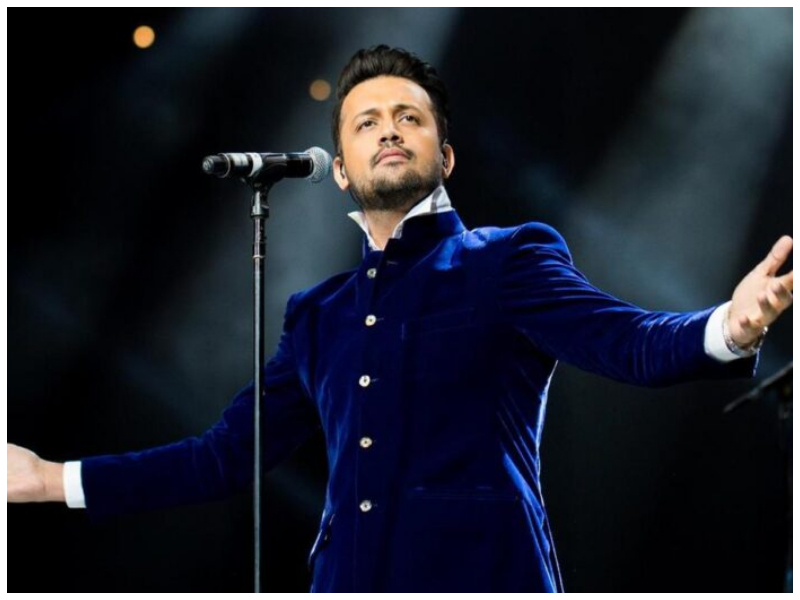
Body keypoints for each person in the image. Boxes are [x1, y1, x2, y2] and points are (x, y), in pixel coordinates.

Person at [7, 45, 794, 592]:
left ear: (444, 156)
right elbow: (221, 458)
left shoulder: (506, 259)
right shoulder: (317, 317)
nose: (388, 127)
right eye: (366, 121)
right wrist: (50, 480)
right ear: (341, 172)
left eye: (408, 117)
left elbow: (627, 342)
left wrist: (731, 324)